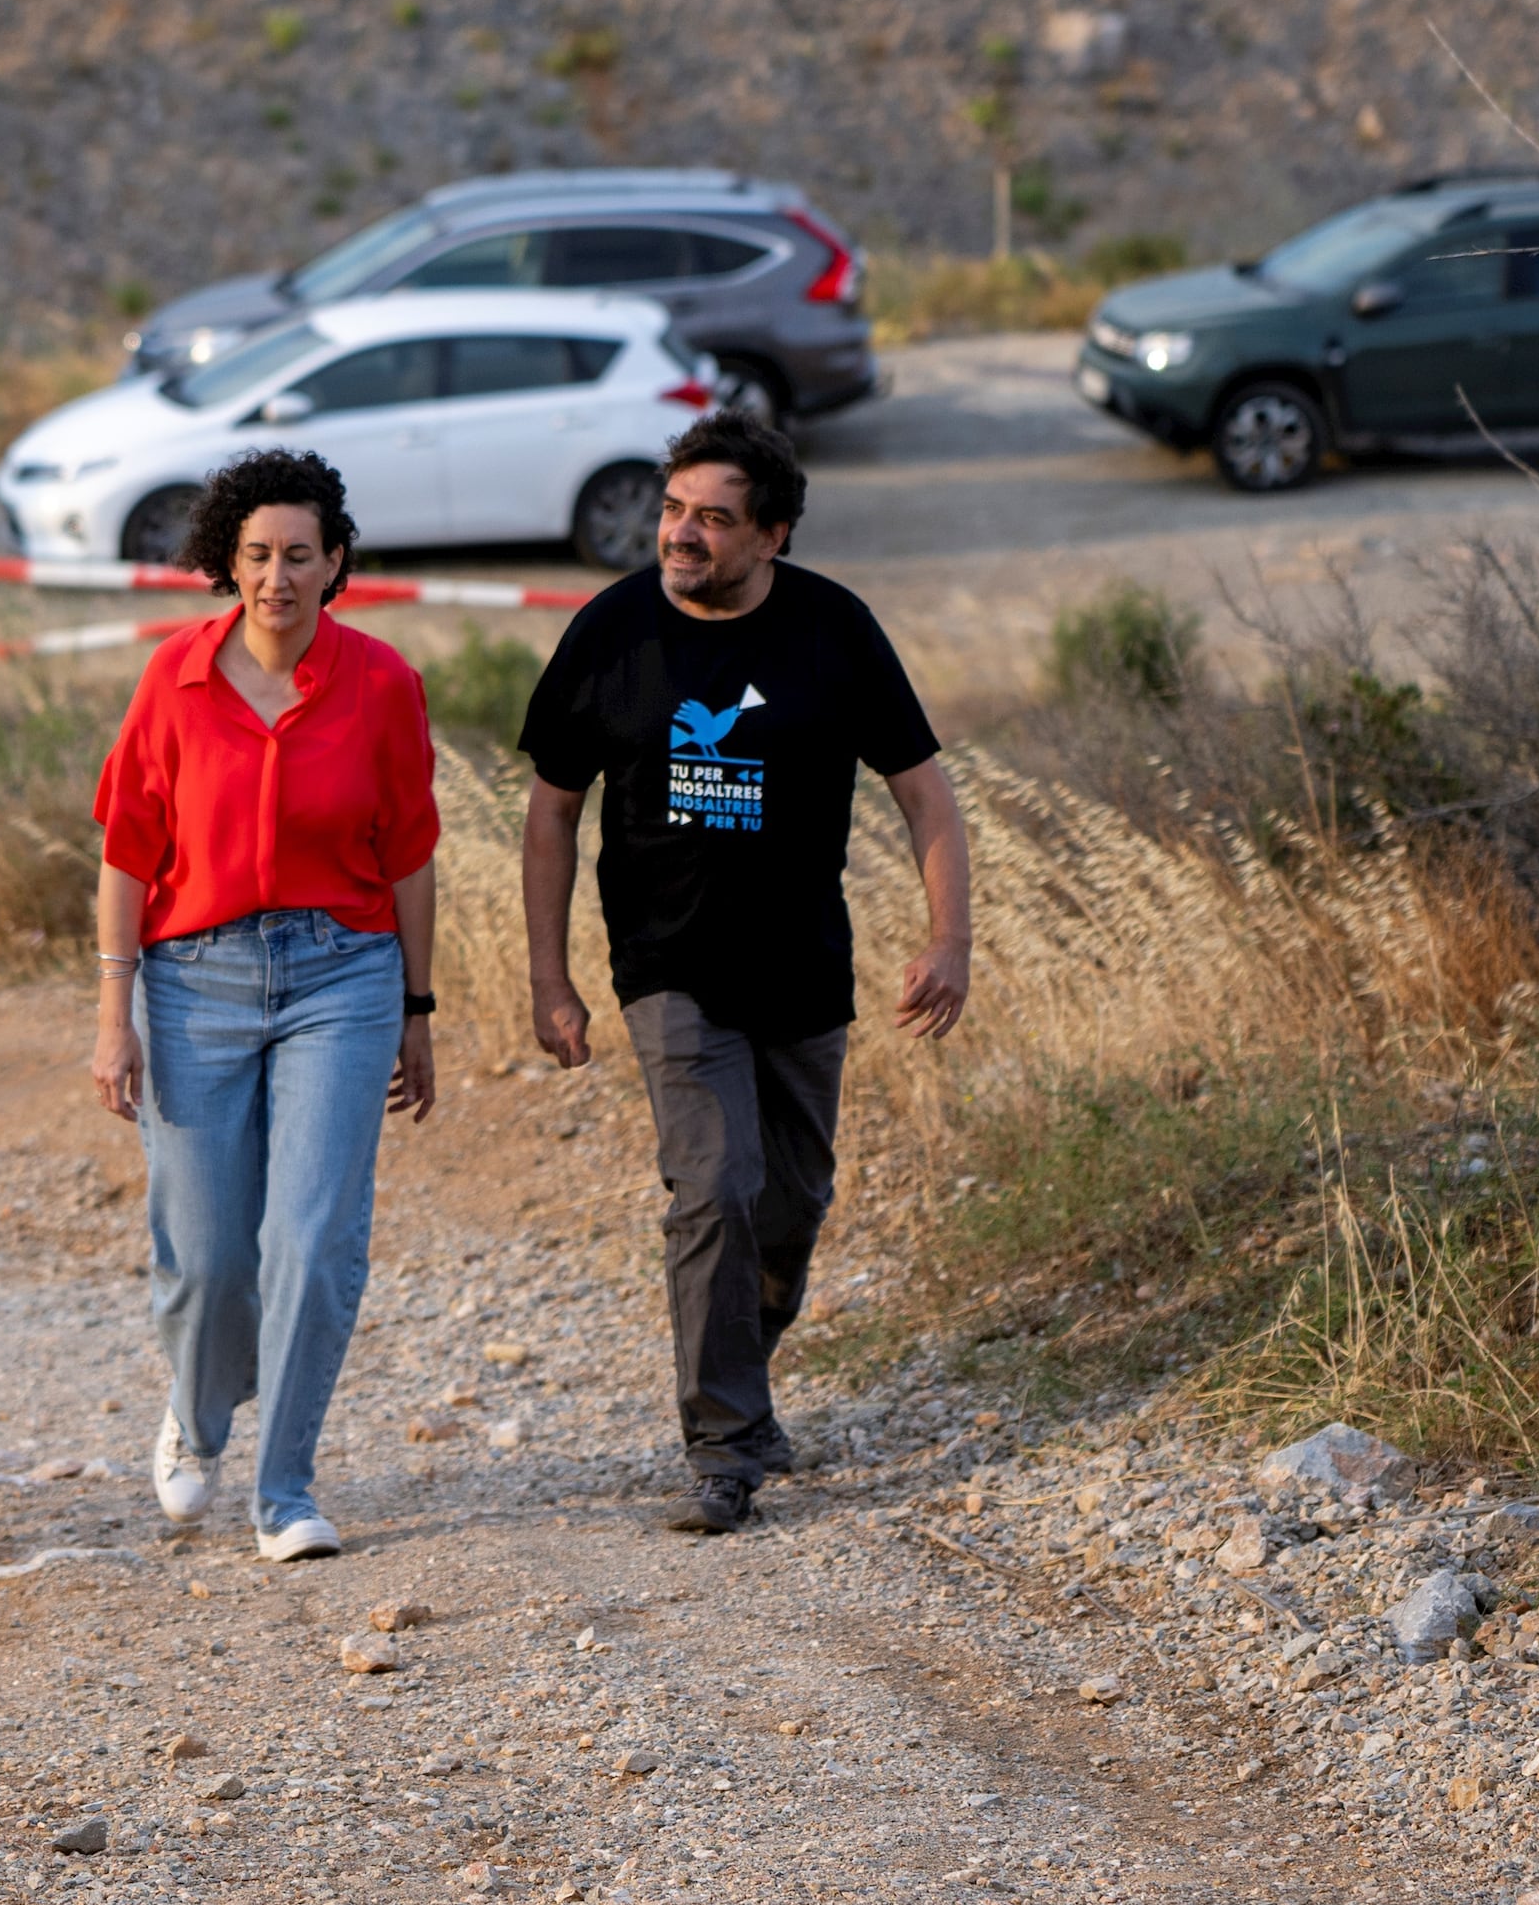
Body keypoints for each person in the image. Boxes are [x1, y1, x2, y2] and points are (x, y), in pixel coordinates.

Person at [518, 409, 972, 1537]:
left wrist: (948, 938)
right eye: (672, 511)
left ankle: (741, 1378)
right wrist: (549, 976)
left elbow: (923, 793)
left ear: (771, 533)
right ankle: (720, 1448)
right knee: (713, 1188)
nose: (680, 535)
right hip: (669, 969)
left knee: (789, 1207)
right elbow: (550, 811)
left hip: (804, 971)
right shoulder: (609, 632)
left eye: (711, 519)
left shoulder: (832, 630)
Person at [89, 443, 441, 1566]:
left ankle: (284, 1489)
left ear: (335, 563)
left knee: (312, 1238)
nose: (276, 577)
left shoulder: (381, 682)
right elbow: (127, 852)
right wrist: (113, 1012)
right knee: (204, 1254)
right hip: (193, 982)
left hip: (343, 974)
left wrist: (418, 1011)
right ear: (223, 561)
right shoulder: (173, 678)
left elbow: (411, 858)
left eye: (299, 556)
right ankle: (196, 1421)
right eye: (255, 555)